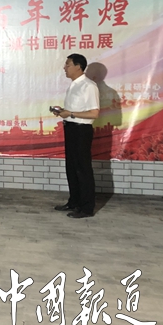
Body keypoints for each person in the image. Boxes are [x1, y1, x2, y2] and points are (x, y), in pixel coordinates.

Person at [53, 54, 100, 219]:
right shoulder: (73, 85)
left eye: (68, 65)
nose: (64, 68)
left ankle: (86, 208)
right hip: (70, 128)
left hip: (81, 131)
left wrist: (71, 113)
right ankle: (74, 202)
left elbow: (94, 113)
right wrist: (63, 112)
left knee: (82, 169)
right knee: (71, 168)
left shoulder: (89, 86)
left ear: (78, 66)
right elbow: (74, 111)